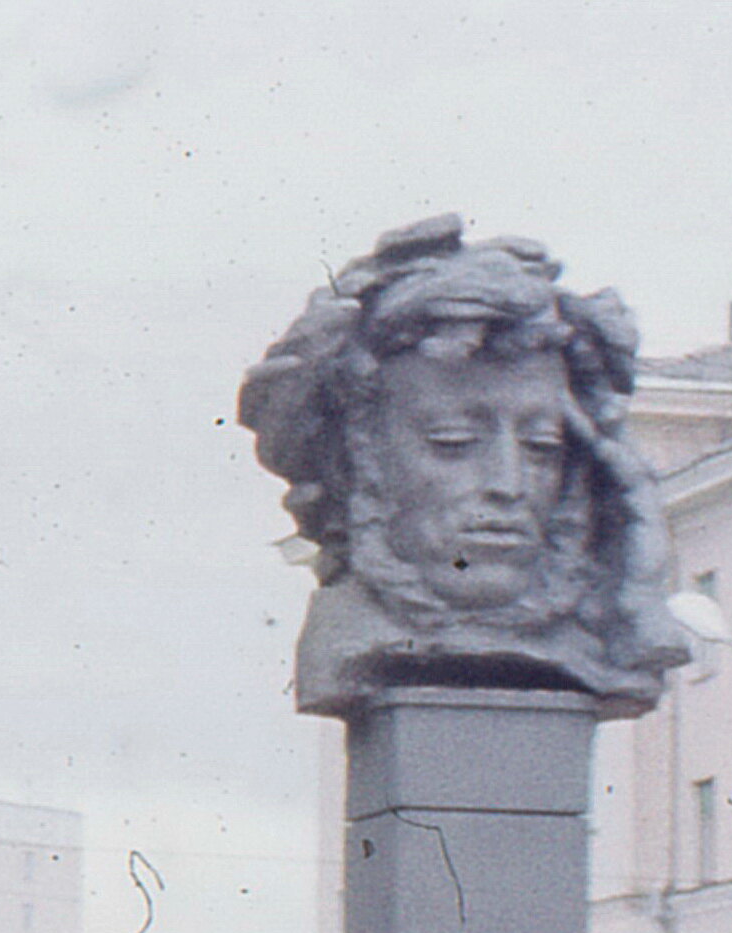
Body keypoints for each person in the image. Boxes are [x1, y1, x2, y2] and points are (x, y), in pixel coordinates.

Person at [238, 215, 694, 716]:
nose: (508, 485)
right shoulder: (349, 638)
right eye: (453, 442)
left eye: (541, 446)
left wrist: (635, 594)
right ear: (355, 462)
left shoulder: (603, 641)